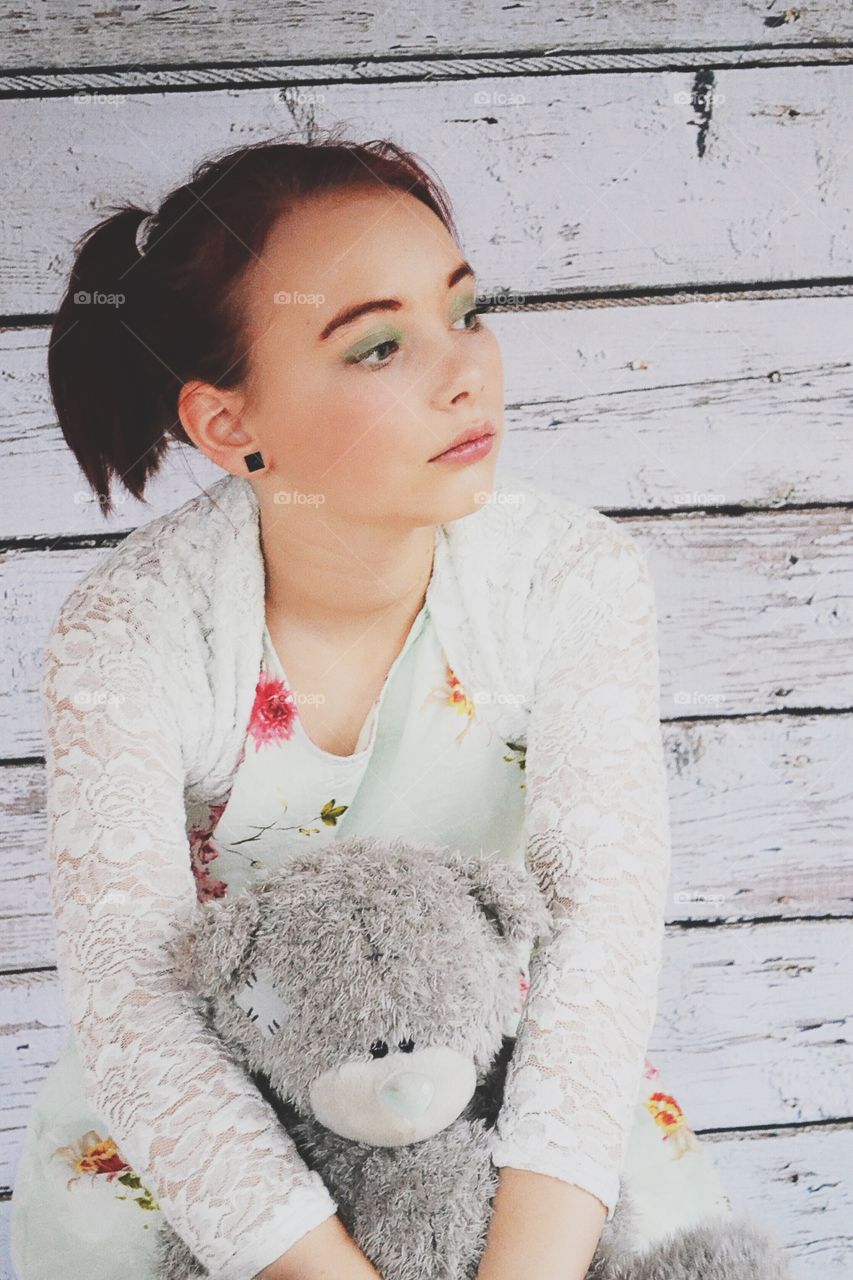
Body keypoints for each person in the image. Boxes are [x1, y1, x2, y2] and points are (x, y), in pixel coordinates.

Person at [10, 130, 731, 1280]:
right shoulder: (133, 633)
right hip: (229, 1115)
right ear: (227, 425)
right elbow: (138, 1013)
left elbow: (599, 946)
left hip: (498, 1077)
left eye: (467, 310)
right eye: (380, 345)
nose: (465, 371)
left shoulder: (570, 580)